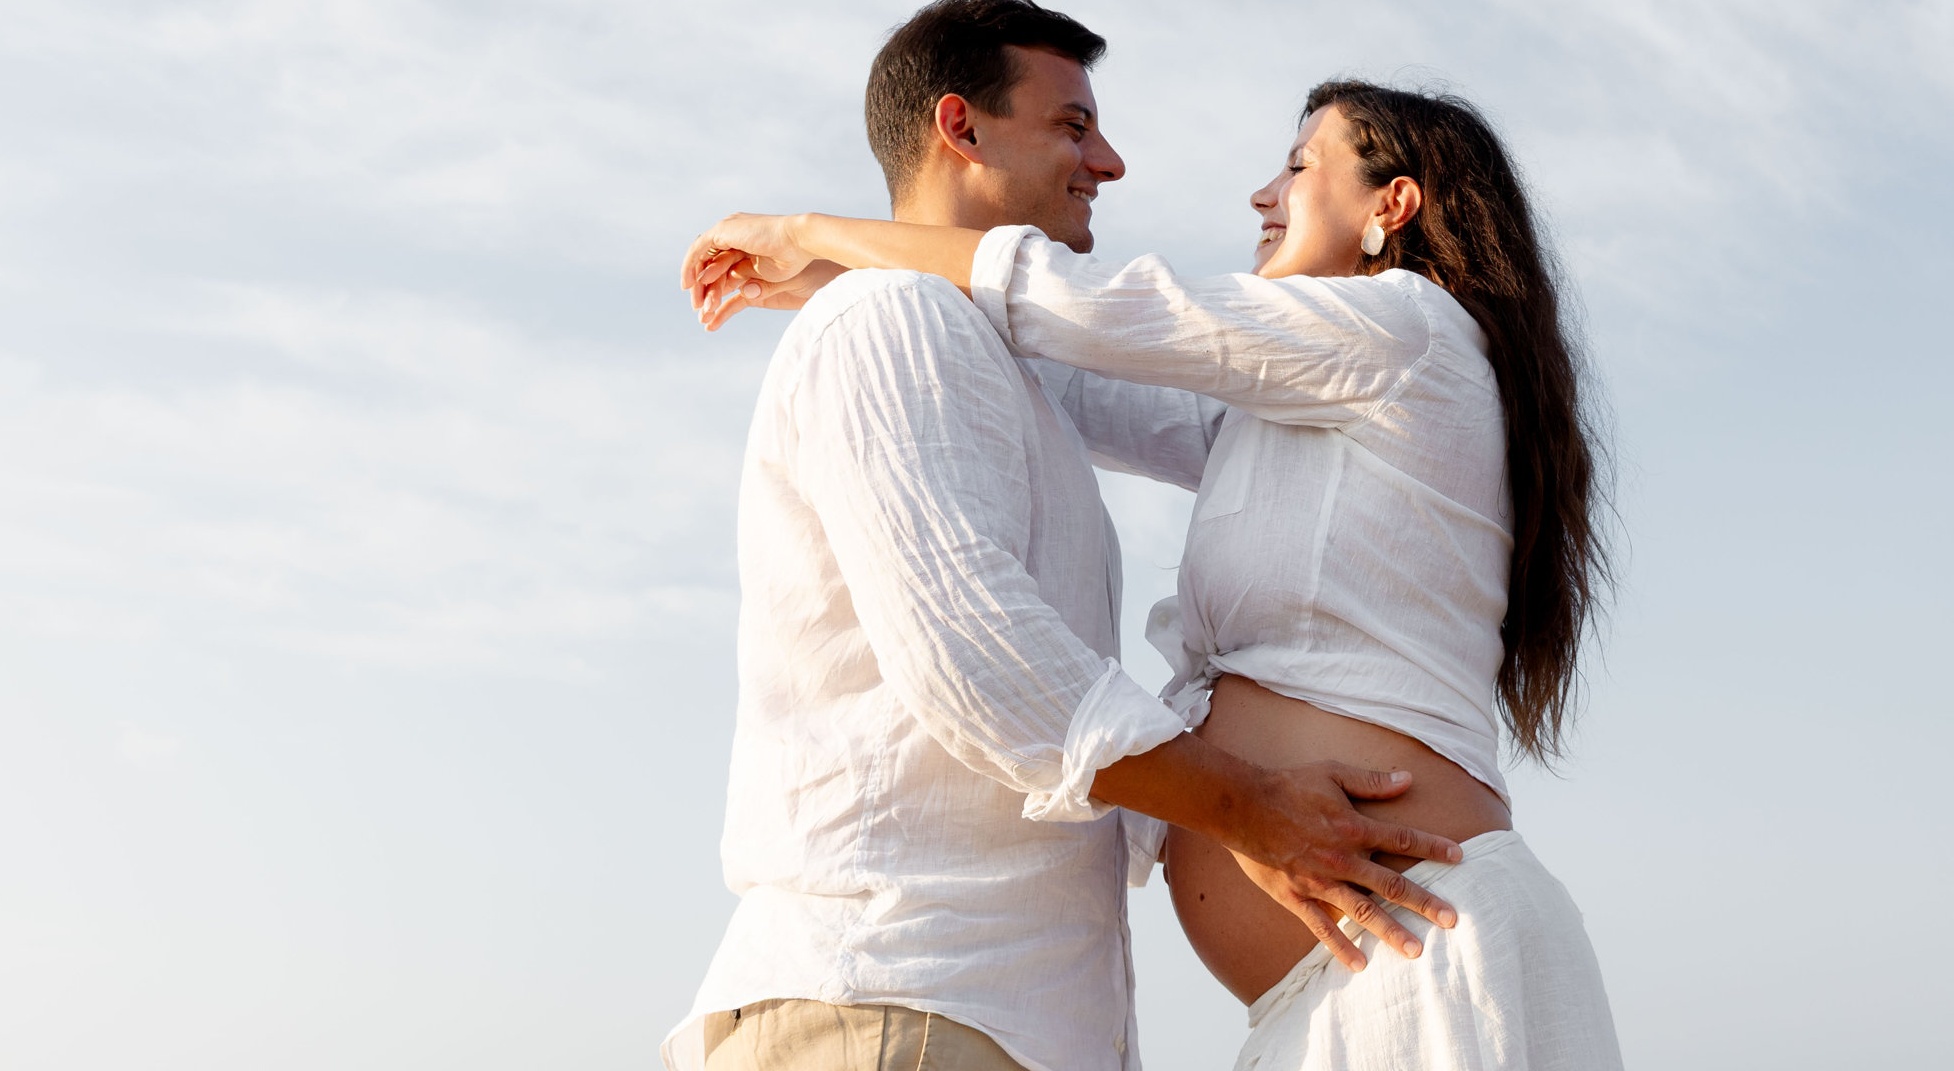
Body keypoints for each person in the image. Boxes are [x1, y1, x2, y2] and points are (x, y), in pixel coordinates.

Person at [685, 78, 1628, 1070]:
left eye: (1301, 168)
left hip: (1424, 952)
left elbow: (1093, 310)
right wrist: (855, 284)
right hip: (1339, 989)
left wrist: (807, 231)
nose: (1264, 197)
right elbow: (1070, 380)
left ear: (1390, 209)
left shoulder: (1407, 330)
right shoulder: (1288, 408)